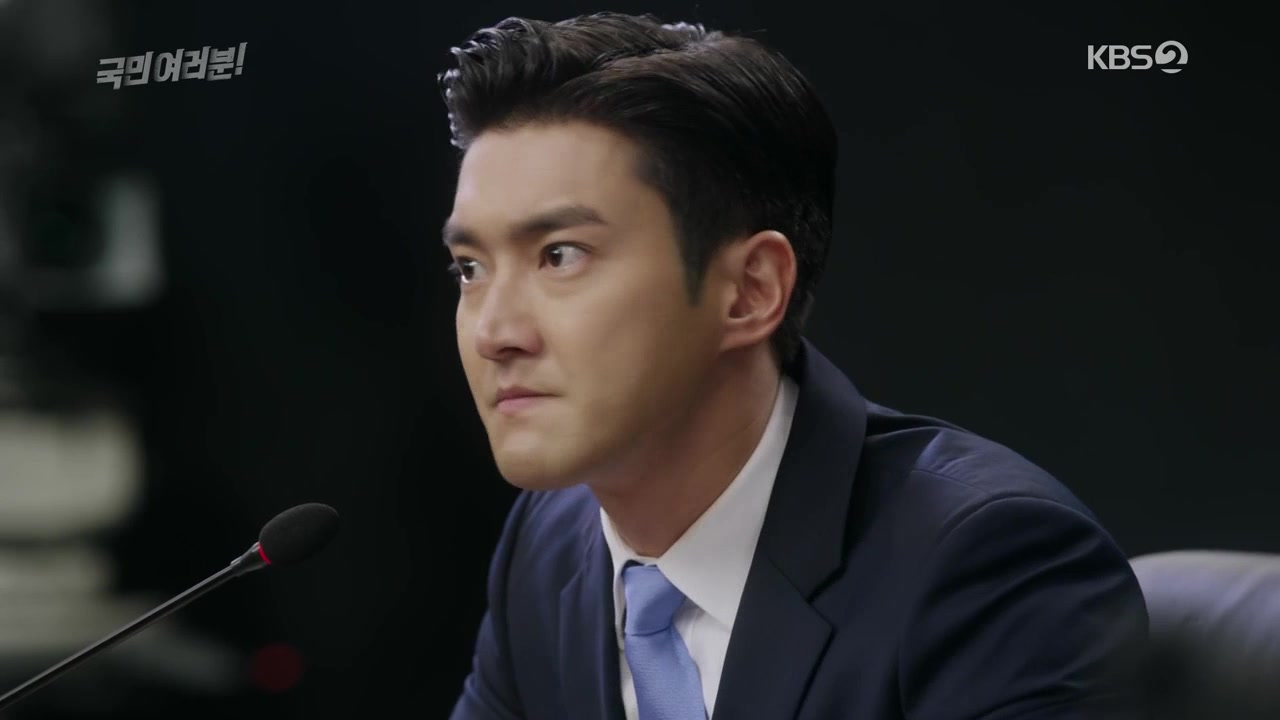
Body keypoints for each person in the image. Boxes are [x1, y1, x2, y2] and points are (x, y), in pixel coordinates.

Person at [437, 12, 1148, 720]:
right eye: (470, 268)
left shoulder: (989, 566)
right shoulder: (550, 547)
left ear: (750, 290)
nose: (494, 332)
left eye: (560, 256)